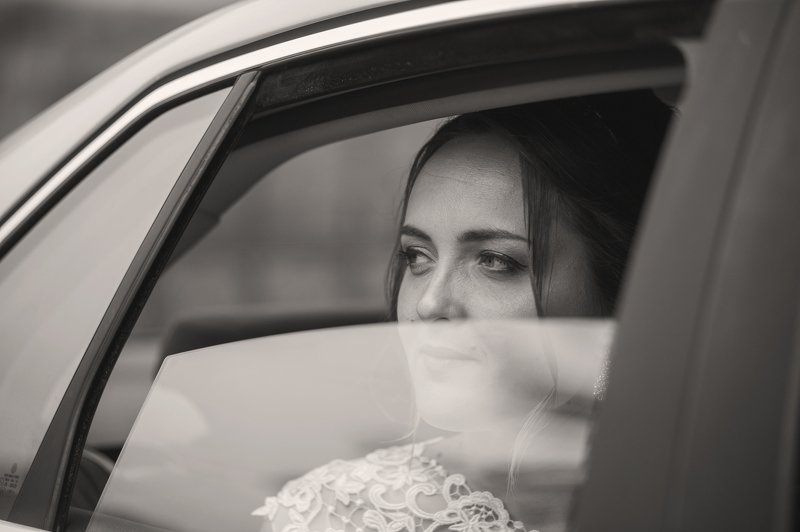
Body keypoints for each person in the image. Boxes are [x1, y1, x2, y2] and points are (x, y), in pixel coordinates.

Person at [252, 90, 672, 532]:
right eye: (417, 256)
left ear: (624, 285)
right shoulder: (340, 513)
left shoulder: (715, 490)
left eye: (495, 261)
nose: (429, 303)